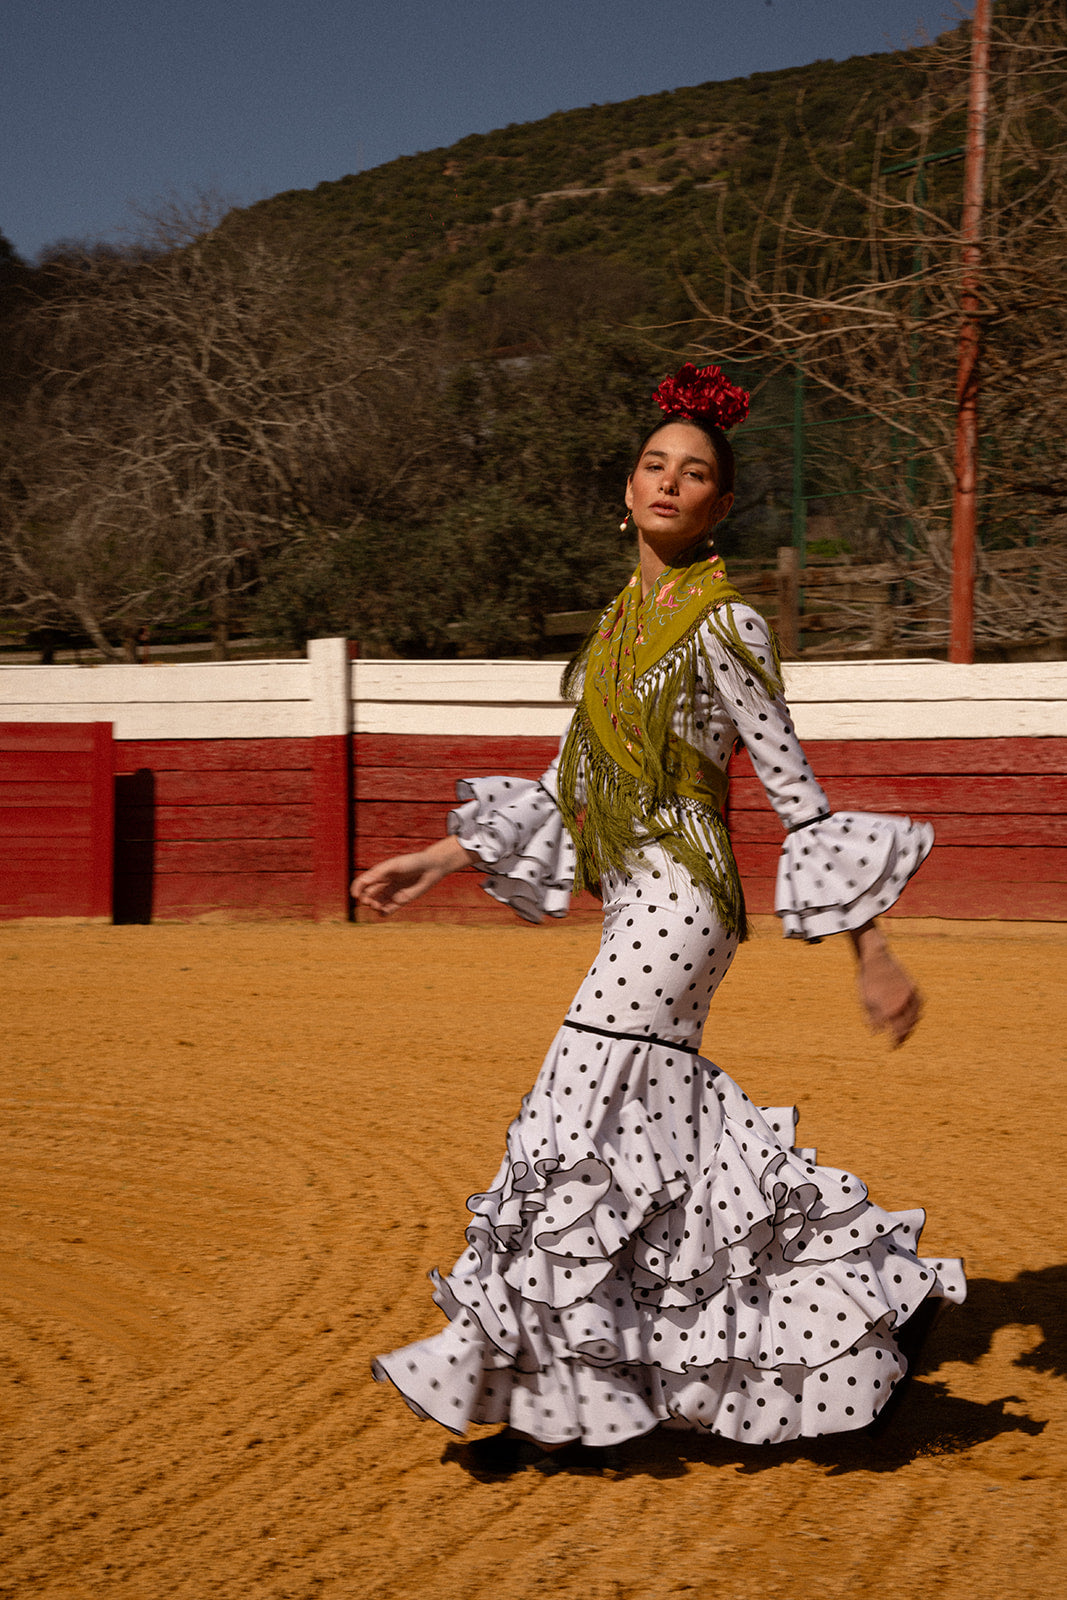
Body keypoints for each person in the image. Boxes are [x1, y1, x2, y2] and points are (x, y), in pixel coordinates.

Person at [353, 363, 965, 1473]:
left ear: (719, 508)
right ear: (626, 488)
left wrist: (870, 952)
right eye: (653, 465)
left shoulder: (725, 623)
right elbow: (561, 787)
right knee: (656, 1125)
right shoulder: (614, 630)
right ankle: (867, 1288)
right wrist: (432, 860)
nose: (669, 482)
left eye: (694, 474)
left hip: (683, 900)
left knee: (576, 1096)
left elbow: (795, 794)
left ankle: (558, 1383)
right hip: (630, 895)